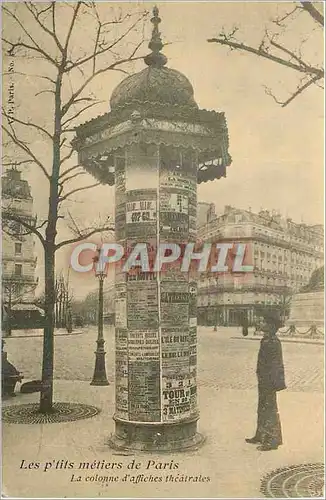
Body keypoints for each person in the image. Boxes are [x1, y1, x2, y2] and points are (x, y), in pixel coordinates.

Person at [246, 310, 286, 451]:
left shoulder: (272, 342)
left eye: (263, 321)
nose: (260, 323)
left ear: (270, 325)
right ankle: (261, 434)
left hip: (269, 381)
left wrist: (272, 382)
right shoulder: (267, 339)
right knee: (262, 407)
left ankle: (273, 440)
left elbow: (275, 365)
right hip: (264, 380)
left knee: (269, 409)